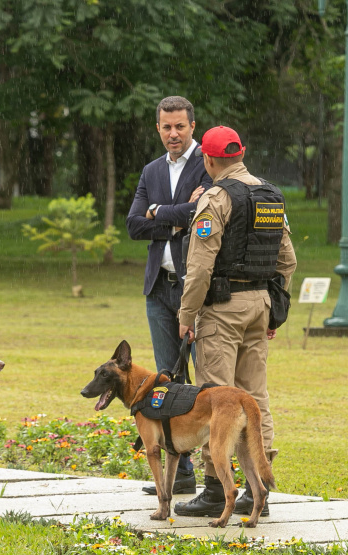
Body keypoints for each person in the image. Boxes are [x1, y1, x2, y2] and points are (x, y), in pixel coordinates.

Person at [175, 125, 296, 518]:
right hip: (260, 304)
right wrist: (274, 309)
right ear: (241, 153)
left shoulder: (216, 198)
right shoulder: (271, 195)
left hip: (222, 310)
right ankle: (259, 486)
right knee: (255, 398)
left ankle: (215, 488)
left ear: (209, 160)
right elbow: (287, 261)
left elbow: (199, 268)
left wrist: (186, 315)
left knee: (217, 399)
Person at [126, 96, 211, 495]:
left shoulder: (207, 164)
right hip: (158, 287)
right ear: (157, 128)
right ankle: (182, 473)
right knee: (167, 380)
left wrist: (157, 212)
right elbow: (133, 226)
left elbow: (203, 215)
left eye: (180, 126)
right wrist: (176, 216)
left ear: (193, 126)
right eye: (166, 127)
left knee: (207, 378)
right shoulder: (152, 170)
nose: (173, 134)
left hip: (196, 288)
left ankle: (217, 478)